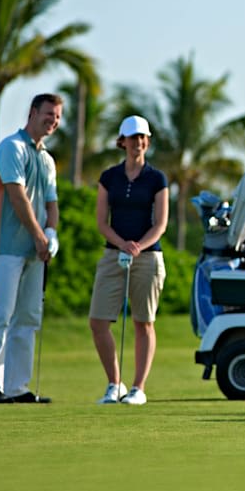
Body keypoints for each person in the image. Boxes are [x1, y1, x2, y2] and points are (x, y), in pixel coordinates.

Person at [0, 93, 62, 404]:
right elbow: (17, 197)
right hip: (7, 246)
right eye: (48, 114)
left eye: (56, 116)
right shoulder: (10, 148)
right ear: (32, 112)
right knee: (1, 314)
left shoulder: (47, 159)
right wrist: (41, 236)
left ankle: (17, 387)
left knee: (28, 318)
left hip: (36, 251)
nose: (52, 121)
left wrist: (50, 233)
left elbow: (51, 203)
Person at [88, 115, 169, 405]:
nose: (139, 142)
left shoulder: (157, 178)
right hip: (113, 254)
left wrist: (137, 247)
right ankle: (114, 384)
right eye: (133, 138)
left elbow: (160, 223)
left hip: (148, 258)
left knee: (142, 322)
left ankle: (138, 388)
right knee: (98, 321)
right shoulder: (109, 177)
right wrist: (122, 245)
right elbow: (101, 221)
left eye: (143, 137)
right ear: (122, 141)